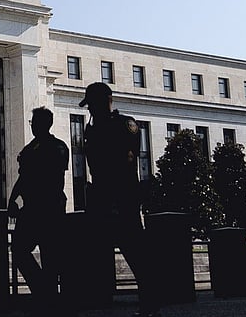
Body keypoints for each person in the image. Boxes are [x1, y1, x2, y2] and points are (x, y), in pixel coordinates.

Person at [80, 81, 160, 317]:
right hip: (101, 197)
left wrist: (116, 197)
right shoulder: (92, 129)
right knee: (95, 251)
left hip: (121, 196)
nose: (90, 110)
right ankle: (99, 298)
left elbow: (125, 162)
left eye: (93, 105)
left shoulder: (125, 125)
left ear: (105, 102)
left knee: (135, 251)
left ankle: (150, 302)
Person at [8, 106, 69, 306]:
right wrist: (13, 198)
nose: (32, 126)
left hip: (48, 208)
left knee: (50, 256)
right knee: (19, 250)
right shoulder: (30, 149)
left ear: (43, 124)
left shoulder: (57, 147)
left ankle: (47, 297)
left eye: (34, 122)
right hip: (32, 208)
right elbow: (23, 177)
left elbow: (47, 178)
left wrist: (17, 196)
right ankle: (45, 292)